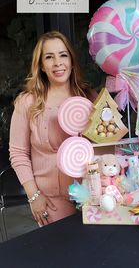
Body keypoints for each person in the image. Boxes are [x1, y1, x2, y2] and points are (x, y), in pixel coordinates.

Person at [9, 30, 97, 226]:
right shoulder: (27, 102)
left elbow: (105, 143)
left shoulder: (89, 98)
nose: (58, 63)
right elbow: (18, 153)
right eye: (49, 57)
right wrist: (34, 196)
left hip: (91, 196)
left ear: (72, 61)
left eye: (63, 55)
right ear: (41, 65)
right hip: (51, 202)